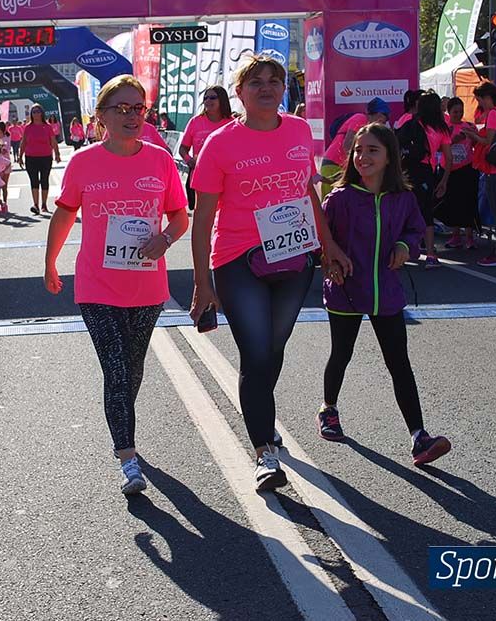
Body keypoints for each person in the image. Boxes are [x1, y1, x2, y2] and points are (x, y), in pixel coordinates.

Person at [190, 54, 352, 491]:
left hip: (294, 258)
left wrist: (328, 244)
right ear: (238, 93)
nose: (266, 87)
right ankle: (265, 451)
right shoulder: (220, 143)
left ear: (285, 89)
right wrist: (202, 282)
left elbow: (306, 192)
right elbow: (203, 216)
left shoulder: (299, 130)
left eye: (274, 81)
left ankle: (260, 409)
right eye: (255, 81)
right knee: (257, 352)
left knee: (273, 350)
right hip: (237, 258)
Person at [44, 74, 188, 495]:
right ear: (101, 116)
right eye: (120, 109)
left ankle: (121, 422)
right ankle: (127, 458)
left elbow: (179, 216)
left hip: (146, 287)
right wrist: (50, 262)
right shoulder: (84, 162)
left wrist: (165, 238)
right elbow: (66, 213)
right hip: (97, 284)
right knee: (118, 370)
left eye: (137, 108)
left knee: (133, 369)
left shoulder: (160, 160)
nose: (130, 116)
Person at [319, 123, 452, 465]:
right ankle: (328, 408)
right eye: (358, 150)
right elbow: (322, 239)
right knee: (341, 354)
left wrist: (406, 246)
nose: (362, 157)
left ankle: (419, 437)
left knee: (399, 364)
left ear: (390, 155)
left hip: (386, 293)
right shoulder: (340, 198)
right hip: (346, 291)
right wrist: (329, 261)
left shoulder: (403, 198)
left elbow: (414, 230)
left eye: (372, 150)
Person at [462, 82, 496, 268]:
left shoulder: (494, 113)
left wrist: (472, 135)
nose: (480, 105)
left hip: (495, 167)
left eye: (480, 100)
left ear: (487, 97)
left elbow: (487, 141)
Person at [402, 92, 452, 269]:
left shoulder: (409, 121)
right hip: (426, 172)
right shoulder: (441, 128)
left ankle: (401, 251)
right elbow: (448, 157)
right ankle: (430, 253)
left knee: (403, 210)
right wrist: (444, 180)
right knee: (426, 212)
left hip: (405, 170)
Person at [320, 98, 390, 199]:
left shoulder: (367, 126)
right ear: (379, 114)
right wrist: (355, 167)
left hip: (337, 165)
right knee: (332, 205)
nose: (382, 124)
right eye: (383, 120)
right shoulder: (361, 118)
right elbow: (347, 145)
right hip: (334, 164)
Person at [179, 85, 235, 210]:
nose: (208, 101)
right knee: (203, 214)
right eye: (205, 98)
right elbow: (183, 148)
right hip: (201, 178)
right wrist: (189, 160)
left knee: (224, 212)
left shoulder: (232, 123)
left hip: (227, 178)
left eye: (213, 97)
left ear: (222, 99)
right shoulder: (195, 122)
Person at [440, 98, 480, 250]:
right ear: (449, 112)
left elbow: (478, 145)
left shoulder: (469, 127)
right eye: (455, 112)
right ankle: (455, 236)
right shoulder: (444, 128)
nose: (458, 114)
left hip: (467, 169)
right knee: (452, 203)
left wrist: (473, 137)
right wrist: (453, 141)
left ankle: (470, 237)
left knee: (468, 203)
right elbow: (437, 149)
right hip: (449, 170)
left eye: (461, 111)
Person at [18, 103, 61, 215]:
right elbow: (23, 142)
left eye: (38, 111)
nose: (36, 113)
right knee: (34, 181)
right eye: (34, 112)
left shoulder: (47, 127)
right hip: (31, 157)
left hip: (45, 157)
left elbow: (53, 141)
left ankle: (44, 204)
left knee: (44, 180)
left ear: (42, 113)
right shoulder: (28, 127)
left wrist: (57, 154)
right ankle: (35, 204)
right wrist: (20, 156)